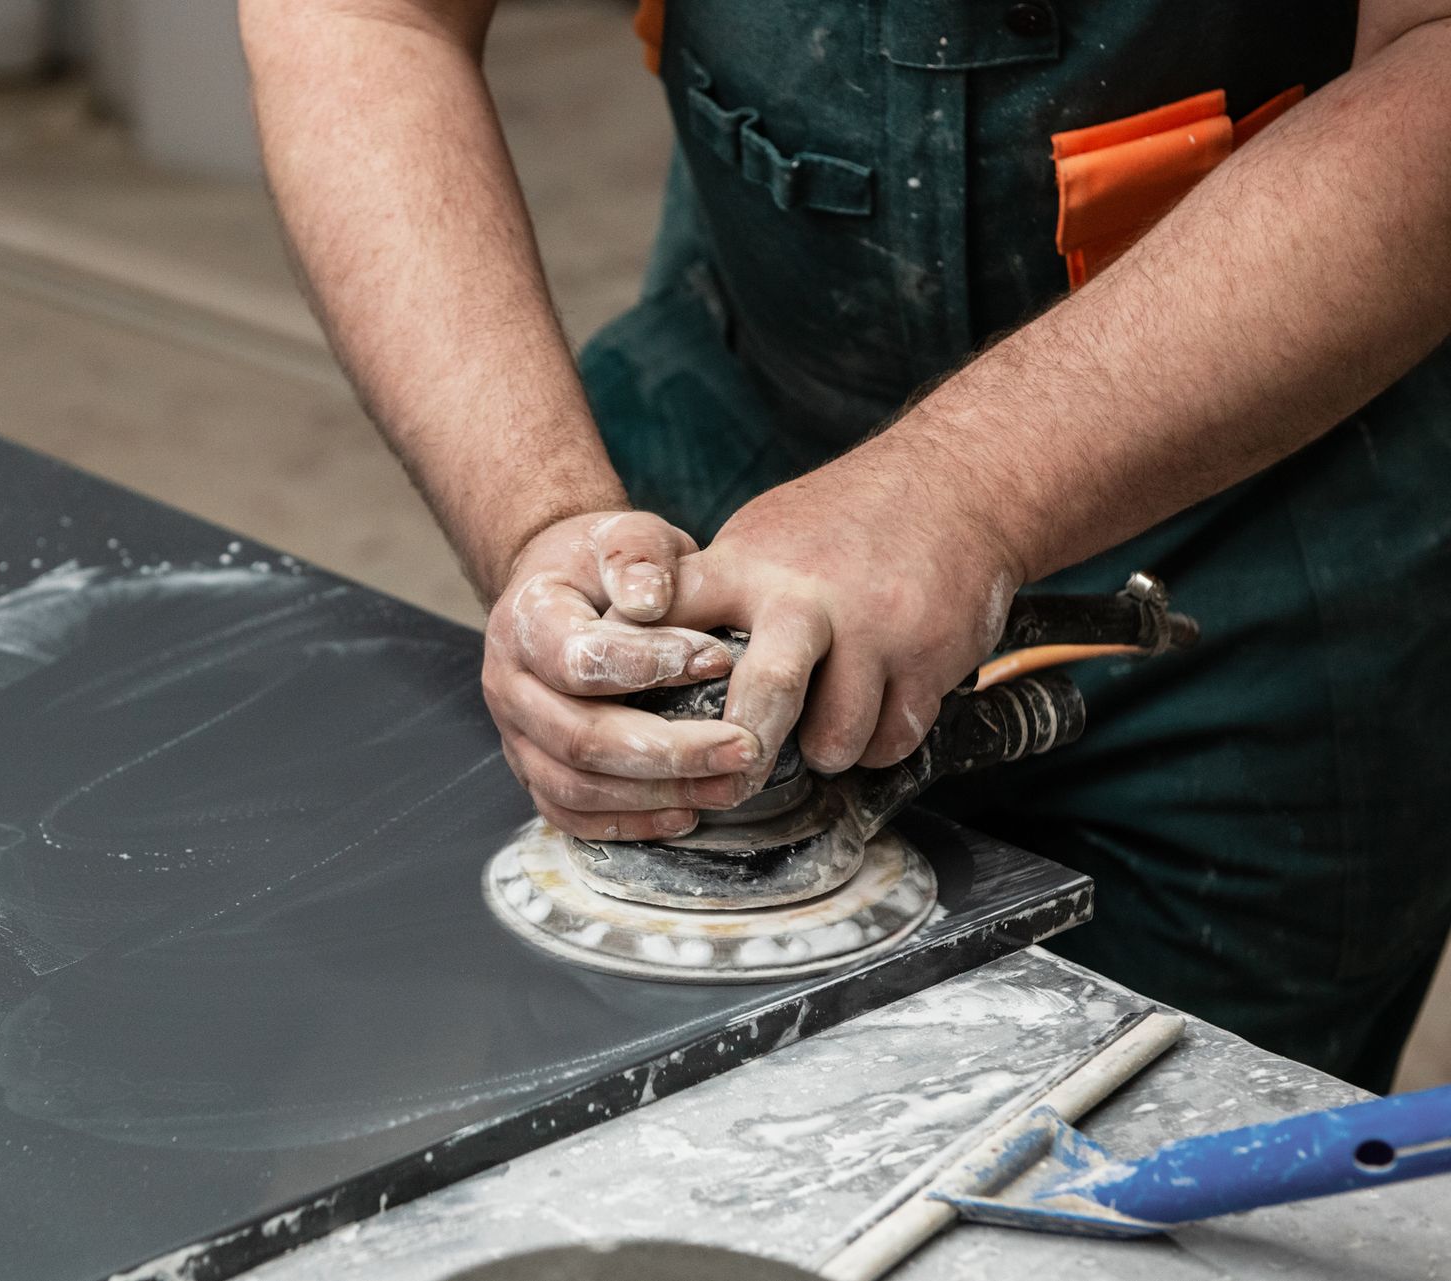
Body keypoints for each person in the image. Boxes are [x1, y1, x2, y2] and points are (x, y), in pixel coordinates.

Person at [240, 0, 1451, 1091]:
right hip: (733, 415)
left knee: (1137, 1175)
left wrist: (960, 487)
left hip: (1278, 524)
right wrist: (542, 516)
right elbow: (366, 20)